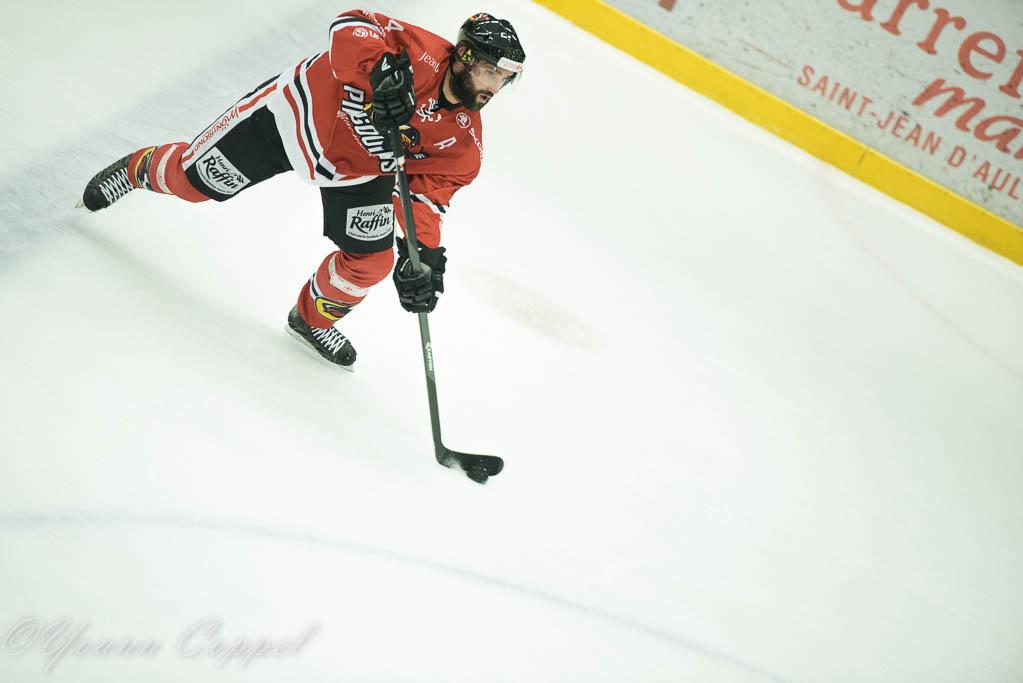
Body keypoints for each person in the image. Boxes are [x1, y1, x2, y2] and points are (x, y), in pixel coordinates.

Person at [80, 10, 525, 371]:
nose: (493, 87)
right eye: (489, 71)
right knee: (192, 183)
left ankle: (312, 320)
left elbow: (425, 199)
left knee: (371, 260)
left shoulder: (464, 145)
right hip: (296, 115)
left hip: (358, 170)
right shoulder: (417, 50)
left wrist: (421, 258)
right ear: (462, 56)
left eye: (503, 79)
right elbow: (349, 25)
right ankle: (137, 170)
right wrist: (380, 67)